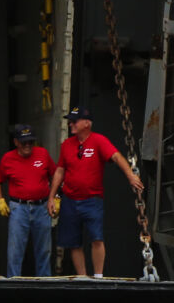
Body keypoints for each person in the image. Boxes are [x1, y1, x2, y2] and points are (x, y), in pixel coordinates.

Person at [48, 107, 144, 279]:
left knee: (97, 239)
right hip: (70, 199)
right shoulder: (67, 145)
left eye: (74, 121)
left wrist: (130, 175)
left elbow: (116, 157)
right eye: (70, 121)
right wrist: (51, 196)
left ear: (87, 123)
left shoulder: (98, 141)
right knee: (73, 242)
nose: (71, 124)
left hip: (92, 200)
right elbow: (60, 171)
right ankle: (83, 276)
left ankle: (98, 276)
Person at [0, 123, 56, 277]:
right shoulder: (8, 158)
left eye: (31, 142)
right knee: (15, 253)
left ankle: (45, 288)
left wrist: (55, 197)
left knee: (44, 251)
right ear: (16, 142)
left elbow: (56, 175)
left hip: (42, 207)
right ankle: (13, 287)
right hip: (18, 208)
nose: (28, 145)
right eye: (24, 142)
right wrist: (0, 200)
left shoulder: (42, 154)